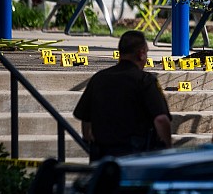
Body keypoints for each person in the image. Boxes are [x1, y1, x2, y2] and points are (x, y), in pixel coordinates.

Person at [74, 30, 172, 161]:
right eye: (147, 52)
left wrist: (89, 140)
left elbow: (85, 118)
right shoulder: (145, 81)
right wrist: (168, 150)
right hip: (136, 158)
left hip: (103, 159)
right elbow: (161, 119)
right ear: (141, 54)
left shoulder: (99, 78)